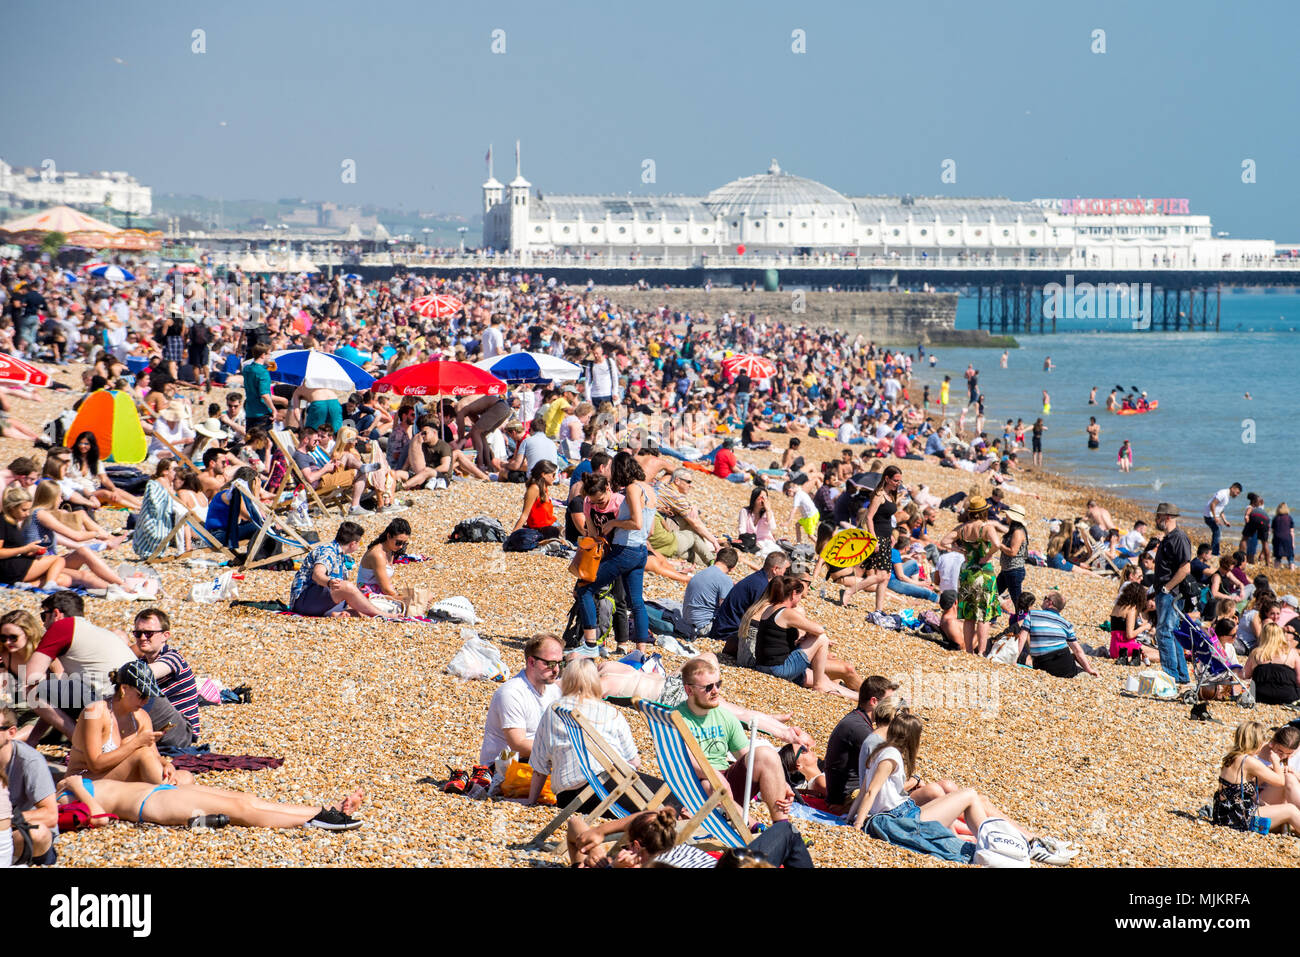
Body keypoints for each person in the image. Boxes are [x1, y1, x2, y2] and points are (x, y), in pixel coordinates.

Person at [847, 711, 1077, 863]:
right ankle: (996, 845)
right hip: (899, 818)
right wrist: (857, 826)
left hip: (902, 812)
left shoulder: (880, 751)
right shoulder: (891, 756)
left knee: (969, 797)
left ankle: (1027, 842)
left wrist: (849, 818)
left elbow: (867, 787)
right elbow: (870, 791)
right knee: (970, 795)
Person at [527, 658, 664, 814]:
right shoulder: (612, 714)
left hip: (569, 798)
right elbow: (634, 761)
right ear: (595, 681)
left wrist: (531, 801)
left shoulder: (554, 710)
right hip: (608, 790)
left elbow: (539, 765)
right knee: (671, 797)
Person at [673, 657, 794, 825]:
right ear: (689, 690)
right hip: (695, 788)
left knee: (766, 754)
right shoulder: (676, 719)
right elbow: (685, 762)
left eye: (718, 684)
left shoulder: (725, 717)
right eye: (708, 687)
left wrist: (779, 782)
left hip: (726, 786)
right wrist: (716, 777)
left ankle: (782, 827)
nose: (716, 691)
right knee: (710, 784)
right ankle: (754, 827)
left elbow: (747, 757)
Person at [58, 773, 364, 831]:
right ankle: (317, 819)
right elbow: (98, 818)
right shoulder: (63, 799)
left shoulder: (61, 788)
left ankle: (325, 813)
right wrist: (77, 787)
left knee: (245, 799)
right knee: (240, 811)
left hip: (158, 793)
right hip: (149, 808)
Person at [64, 659, 195, 787]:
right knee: (143, 754)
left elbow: (154, 755)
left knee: (185, 776)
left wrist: (166, 764)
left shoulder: (141, 717)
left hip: (117, 775)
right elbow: (96, 765)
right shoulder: (94, 712)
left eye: (148, 697)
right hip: (85, 777)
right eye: (141, 695)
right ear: (124, 689)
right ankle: (167, 790)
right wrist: (137, 742)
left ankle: (166, 787)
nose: (145, 702)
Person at [574, 452, 655, 655]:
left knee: (585, 588)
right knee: (636, 601)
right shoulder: (650, 489)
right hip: (641, 551)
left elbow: (636, 523)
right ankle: (641, 652)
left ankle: (590, 645)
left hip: (625, 550)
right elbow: (649, 529)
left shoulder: (632, 489)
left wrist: (613, 523)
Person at [741, 573, 860, 700]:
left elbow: (775, 641)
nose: (800, 599)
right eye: (799, 595)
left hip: (764, 667)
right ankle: (819, 685)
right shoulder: (786, 612)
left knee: (826, 679)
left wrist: (801, 640)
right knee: (822, 639)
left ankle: (859, 696)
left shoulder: (769, 609)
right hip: (779, 669)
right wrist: (811, 634)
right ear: (793, 594)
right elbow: (819, 630)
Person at [478, 633, 563, 766]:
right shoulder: (511, 693)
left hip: (541, 762)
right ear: (531, 662)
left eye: (560, 663)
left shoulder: (554, 691)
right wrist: (562, 750)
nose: (556, 670)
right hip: (506, 769)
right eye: (551, 664)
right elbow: (518, 745)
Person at [822, 675, 899, 812]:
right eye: (889, 702)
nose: (893, 707)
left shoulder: (857, 720)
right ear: (874, 701)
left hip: (850, 796)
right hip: (848, 802)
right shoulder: (860, 730)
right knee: (932, 792)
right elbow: (887, 770)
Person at [938, 496, 1004, 655]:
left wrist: (960, 550)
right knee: (984, 615)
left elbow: (944, 542)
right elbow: (996, 544)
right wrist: (988, 556)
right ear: (983, 511)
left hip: (967, 571)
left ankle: (969, 651)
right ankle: (981, 651)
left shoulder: (962, 528)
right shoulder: (986, 528)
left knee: (968, 615)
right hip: (983, 571)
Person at [1211, 721, 1300, 836]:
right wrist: (1276, 762)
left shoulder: (1233, 757)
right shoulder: (1248, 761)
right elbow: (1280, 781)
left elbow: (1241, 792)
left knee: (1284, 816)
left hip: (1224, 815)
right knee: (1290, 810)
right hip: (1239, 819)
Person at [130, 607, 201, 742]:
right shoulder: (142, 661)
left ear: (165, 635)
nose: (142, 638)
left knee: (142, 690)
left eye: (149, 633)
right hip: (159, 729)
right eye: (138, 633)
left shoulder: (173, 658)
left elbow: (145, 673)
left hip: (183, 733)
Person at [288, 521, 385, 618]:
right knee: (347, 587)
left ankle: (334, 613)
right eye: (360, 542)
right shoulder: (328, 551)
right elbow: (317, 574)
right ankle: (385, 615)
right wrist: (329, 582)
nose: (360, 545)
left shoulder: (339, 553)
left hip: (313, 600)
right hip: (304, 601)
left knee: (361, 611)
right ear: (353, 543)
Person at [1, 706, 58, 865]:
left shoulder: (30, 761)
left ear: (11, 732)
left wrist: (6, 819)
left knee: (38, 834)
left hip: (18, 828)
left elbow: (51, 815)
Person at [711, 549, 791, 656]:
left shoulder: (758, 578)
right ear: (775, 569)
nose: (785, 575)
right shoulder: (761, 586)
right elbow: (760, 617)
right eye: (785, 570)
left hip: (724, 627)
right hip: (728, 633)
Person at [1151, 502, 1192, 684]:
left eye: (1158, 517)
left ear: (1167, 517)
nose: (1156, 520)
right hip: (1165, 592)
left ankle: (1170, 676)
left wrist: (1167, 587)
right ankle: (1181, 675)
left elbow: (1185, 569)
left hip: (1171, 593)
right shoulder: (1169, 538)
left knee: (1164, 632)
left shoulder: (1179, 538)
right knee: (1171, 632)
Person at [1017, 593, 1098, 678]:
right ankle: (1087, 673)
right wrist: (1089, 669)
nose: (1043, 600)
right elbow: (1077, 650)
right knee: (1081, 671)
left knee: (1074, 661)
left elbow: (1021, 638)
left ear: (1050, 603)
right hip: (1064, 665)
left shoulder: (1032, 614)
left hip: (1042, 664)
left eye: (1045, 598)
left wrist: (1014, 659)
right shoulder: (1065, 624)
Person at [0, 486, 67, 589]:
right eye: (24, 510)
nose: (27, 514)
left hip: (14, 564)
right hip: (8, 568)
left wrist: (33, 550)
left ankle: (28, 585)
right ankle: (49, 585)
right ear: (12, 508)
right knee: (58, 560)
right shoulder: (3, 522)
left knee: (63, 579)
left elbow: (13, 547)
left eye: (29, 510)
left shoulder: (14, 522)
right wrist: (26, 549)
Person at [860, 465, 904, 619]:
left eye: (899, 480)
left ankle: (879, 609)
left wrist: (892, 534)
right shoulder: (879, 495)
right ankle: (850, 591)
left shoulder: (890, 495)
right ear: (887, 478)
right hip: (877, 537)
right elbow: (869, 517)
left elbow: (886, 519)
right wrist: (873, 539)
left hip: (886, 537)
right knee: (880, 575)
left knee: (885, 576)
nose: (898, 483)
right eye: (895, 480)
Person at [677, 548, 737, 639]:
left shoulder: (701, 573)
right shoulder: (725, 579)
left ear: (716, 558)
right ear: (732, 568)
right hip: (703, 627)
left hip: (686, 620)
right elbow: (726, 610)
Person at [1242, 623, 1300, 705]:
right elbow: (1299, 680)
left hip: (1260, 697)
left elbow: (1245, 675)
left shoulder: (1256, 653)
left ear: (1263, 636)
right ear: (1281, 635)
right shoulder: (1292, 653)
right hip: (1287, 697)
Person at [358, 518, 411, 599]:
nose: (400, 546)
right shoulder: (377, 554)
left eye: (404, 543)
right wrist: (403, 598)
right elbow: (386, 589)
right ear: (389, 536)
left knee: (426, 597)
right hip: (368, 596)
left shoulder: (390, 550)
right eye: (398, 542)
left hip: (380, 591)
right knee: (414, 602)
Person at [1108, 581, 1156, 666]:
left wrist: (1139, 626)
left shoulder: (1118, 606)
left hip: (1113, 648)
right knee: (1159, 655)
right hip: (1125, 647)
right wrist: (1145, 627)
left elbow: (1120, 627)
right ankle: (1132, 657)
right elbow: (1129, 635)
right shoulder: (1131, 609)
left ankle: (1129, 657)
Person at [512, 460, 562, 540]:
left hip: (550, 525)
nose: (555, 478)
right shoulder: (534, 489)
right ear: (543, 474)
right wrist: (513, 535)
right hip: (542, 529)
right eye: (553, 475)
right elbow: (525, 514)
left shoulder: (544, 488)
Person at [737, 486, 780, 560]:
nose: (763, 501)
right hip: (750, 541)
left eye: (765, 498)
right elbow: (742, 530)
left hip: (766, 541)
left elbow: (772, 527)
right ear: (754, 498)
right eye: (761, 498)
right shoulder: (745, 511)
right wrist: (749, 541)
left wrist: (768, 510)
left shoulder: (767, 513)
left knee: (775, 554)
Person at [1203, 482, 1242, 556]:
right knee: (1217, 531)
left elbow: (1221, 510)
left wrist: (1225, 521)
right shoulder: (1223, 493)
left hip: (1212, 515)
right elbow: (1213, 504)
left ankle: (1214, 552)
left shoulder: (1227, 496)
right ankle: (1214, 553)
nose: (1237, 495)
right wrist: (1215, 517)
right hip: (1209, 515)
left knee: (1217, 531)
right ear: (1233, 488)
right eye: (1237, 492)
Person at [1273, 503, 1294, 570]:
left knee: (1278, 556)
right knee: (1290, 556)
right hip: (1287, 538)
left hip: (1277, 537)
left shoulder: (1276, 518)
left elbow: (1273, 530)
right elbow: (1292, 532)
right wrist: (1293, 543)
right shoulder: (1289, 518)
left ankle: (1276, 569)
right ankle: (1292, 569)